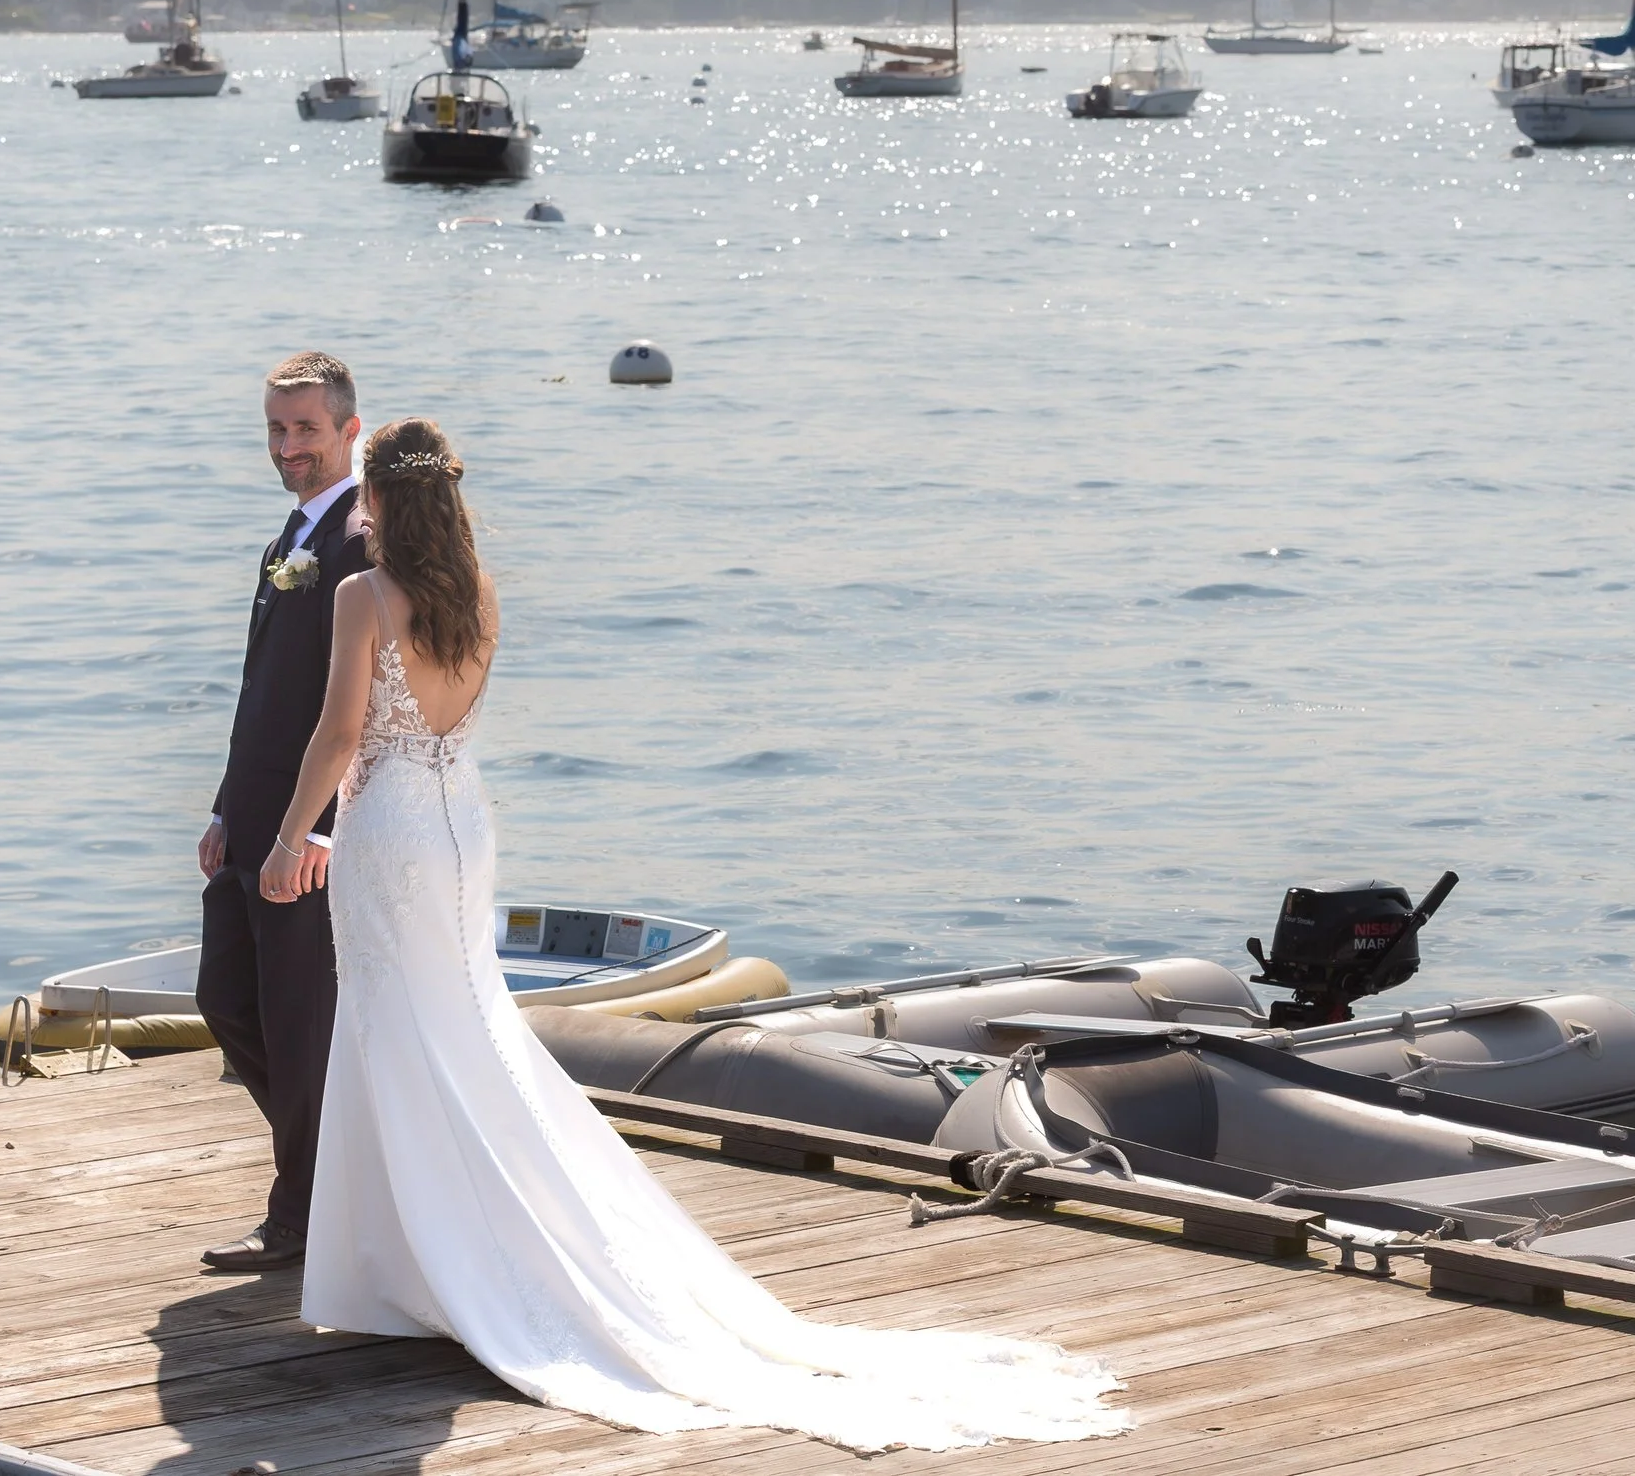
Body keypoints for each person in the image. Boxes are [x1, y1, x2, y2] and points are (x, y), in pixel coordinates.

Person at [255, 415, 1129, 1453]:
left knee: (399, 1033)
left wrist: (290, 836)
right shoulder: (478, 593)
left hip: (390, 830)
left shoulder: (363, 595)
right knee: (465, 1029)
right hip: (462, 826)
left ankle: (415, 1265)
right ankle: (441, 1252)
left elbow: (341, 733)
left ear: (379, 499)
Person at [196, 352, 371, 1273]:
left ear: (349, 429)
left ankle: (302, 1214)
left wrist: (322, 829)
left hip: (308, 835)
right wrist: (225, 809)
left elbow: (360, 711)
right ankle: (339, 1173)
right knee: (224, 1000)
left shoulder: (358, 542)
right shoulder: (289, 541)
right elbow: (261, 690)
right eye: (275, 428)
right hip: (253, 819)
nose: (287, 446)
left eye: (305, 428)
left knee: (300, 1024)